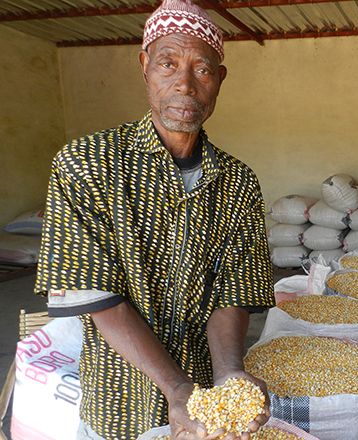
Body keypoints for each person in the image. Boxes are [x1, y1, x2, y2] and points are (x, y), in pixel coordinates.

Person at [34, 1, 275, 438]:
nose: (184, 84)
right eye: (168, 63)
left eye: (202, 69)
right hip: (117, 399)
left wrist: (229, 373)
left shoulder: (238, 181)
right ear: (145, 65)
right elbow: (94, 292)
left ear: (219, 80)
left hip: (206, 405)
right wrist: (176, 388)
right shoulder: (86, 163)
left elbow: (235, 289)